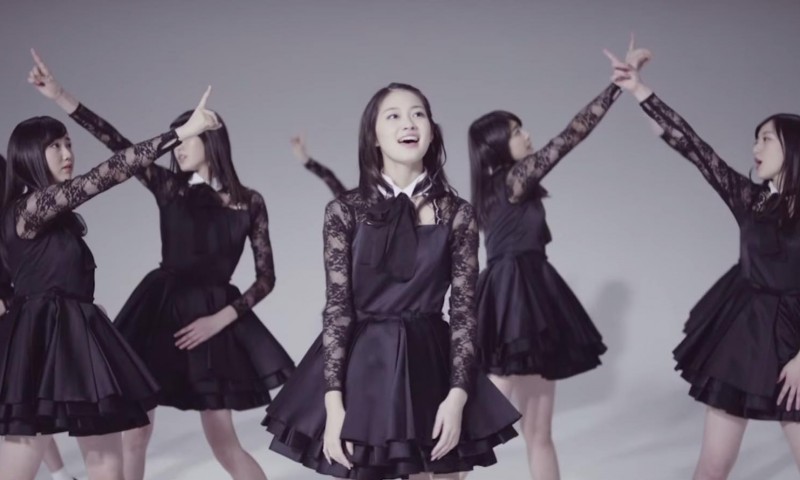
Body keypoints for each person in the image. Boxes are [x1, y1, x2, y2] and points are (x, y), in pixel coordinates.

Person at [30, 50, 295, 480]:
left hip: (214, 320)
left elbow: (267, 278)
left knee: (224, 442)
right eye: (176, 139)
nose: (178, 147)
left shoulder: (249, 202)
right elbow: (117, 144)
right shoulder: (169, 187)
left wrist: (220, 320)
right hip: (159, 311)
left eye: (186, 138)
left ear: (210, 141)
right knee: (136, 434)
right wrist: (60, 95)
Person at [264, 82, 520, 479]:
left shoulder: (458, 213)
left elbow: (464, 312)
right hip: (363, 367)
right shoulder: (345, 210)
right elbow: (337, 309)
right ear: (374, 136)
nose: (409, 123)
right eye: (394, 115)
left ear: (431, 131)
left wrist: (457, 397)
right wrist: (334, 405)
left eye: (418, 114)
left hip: (430, 363)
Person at [0, 52, 218, 480]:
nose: (67, 153)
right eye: (55, 146)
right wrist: (181, 133)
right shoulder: (30, 207)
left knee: (108, 467)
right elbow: (110, 172)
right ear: (28, 156)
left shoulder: (53, 216)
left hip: (79, 336)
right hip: (40, 340)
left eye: (68, 143)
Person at [605, 43, 800, 480]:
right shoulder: (751, 200)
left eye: (766, 138)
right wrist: (639, 89)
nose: (755, 146)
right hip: (746, 335)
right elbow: (693, 146)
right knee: (712, 467)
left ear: (793, 148)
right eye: (755, 138)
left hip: (796, 338)